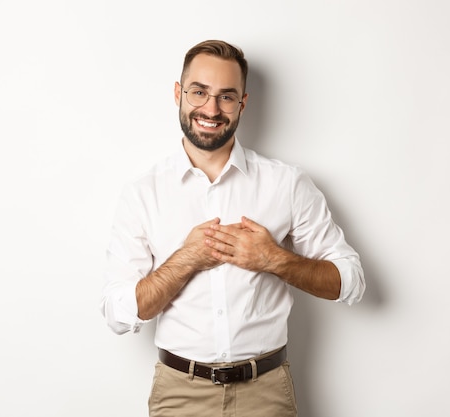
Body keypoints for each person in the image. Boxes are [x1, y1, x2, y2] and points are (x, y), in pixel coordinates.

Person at [100, 39, 365, 417]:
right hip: (179, 395)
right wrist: (185, 260)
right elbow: (117, 313)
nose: (211, 109)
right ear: (179, 93)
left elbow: (351, 282)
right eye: (199, 92)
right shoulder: (144, 193)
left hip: (267, 393)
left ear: (242, 103)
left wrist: (274, 259)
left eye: (226, 96)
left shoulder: (285, 184)